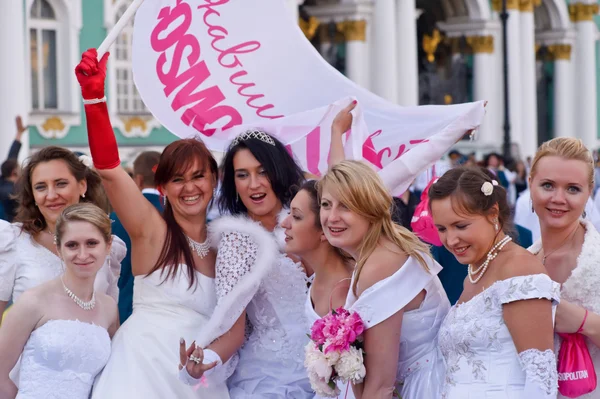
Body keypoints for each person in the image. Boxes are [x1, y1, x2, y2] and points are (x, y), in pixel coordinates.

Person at [75, 48, 269, 399]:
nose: (190, 187)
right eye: (178, 180)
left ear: (215, 180)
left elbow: (236, 331)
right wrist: (94, 98)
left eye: (199, 176)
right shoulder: (152, 229)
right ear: (162, 187)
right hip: (140, 372)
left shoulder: (231, 244)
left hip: (199, 379)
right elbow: (108, 171)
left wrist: (205, 360)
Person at [319, 160, 449, 399]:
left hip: (422, 387)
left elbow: (381, 387)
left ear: (370, 210)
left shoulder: (380, 264)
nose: (332, 216)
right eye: (326, 205)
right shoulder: (384, 248)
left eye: (345, 206)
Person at [429, 166, 559, 398]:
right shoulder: (475, 272)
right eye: (441, 228)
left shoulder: (519, 269)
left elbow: (541, 380)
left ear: (492, 213)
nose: (450, 239)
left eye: (460, 226)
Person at [215, 128, 314, 398]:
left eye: (262, 171)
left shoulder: (312, 217)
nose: (253, 184)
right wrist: (203, 361)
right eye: (242, 175)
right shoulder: (236, 241)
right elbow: (230, 326)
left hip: (334, 364)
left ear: (278, 171)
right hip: (269, 379)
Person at [0, 203, 118, 399]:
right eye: (72, 245)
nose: (82, 254)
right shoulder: (34, 301)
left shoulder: (109, 308)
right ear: (59, 249)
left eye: (91, 243)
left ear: (108, 246)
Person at [0, 146, 124, 320]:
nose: (51, 195)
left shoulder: (108, 246)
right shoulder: (13, 240)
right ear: (33, 196)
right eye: (41, 187)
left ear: (82, 186)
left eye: (61, 184)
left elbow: (110, 321)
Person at [528, 137, 600, 399]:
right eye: (548, 185)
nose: (558, 198)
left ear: (588, 192)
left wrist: (586, 322)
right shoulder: (521, 262)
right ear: (530, 184)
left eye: (572, 189)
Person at [280, 180, 355, 399]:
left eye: (296, 216)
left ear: (324, 229)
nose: (285, 223)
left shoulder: (348, 289)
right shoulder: (316, 279)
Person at [111, 150, 163, 323]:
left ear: (138, 180)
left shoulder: (114, 218)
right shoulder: (176, 216)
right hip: (166, 313)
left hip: (124, 307)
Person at [0, 116, 28, 222]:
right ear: (14, 172)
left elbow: (12, 155)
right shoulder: (15, 192)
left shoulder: (2, 182)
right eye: (19, 167)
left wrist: (19, 133)